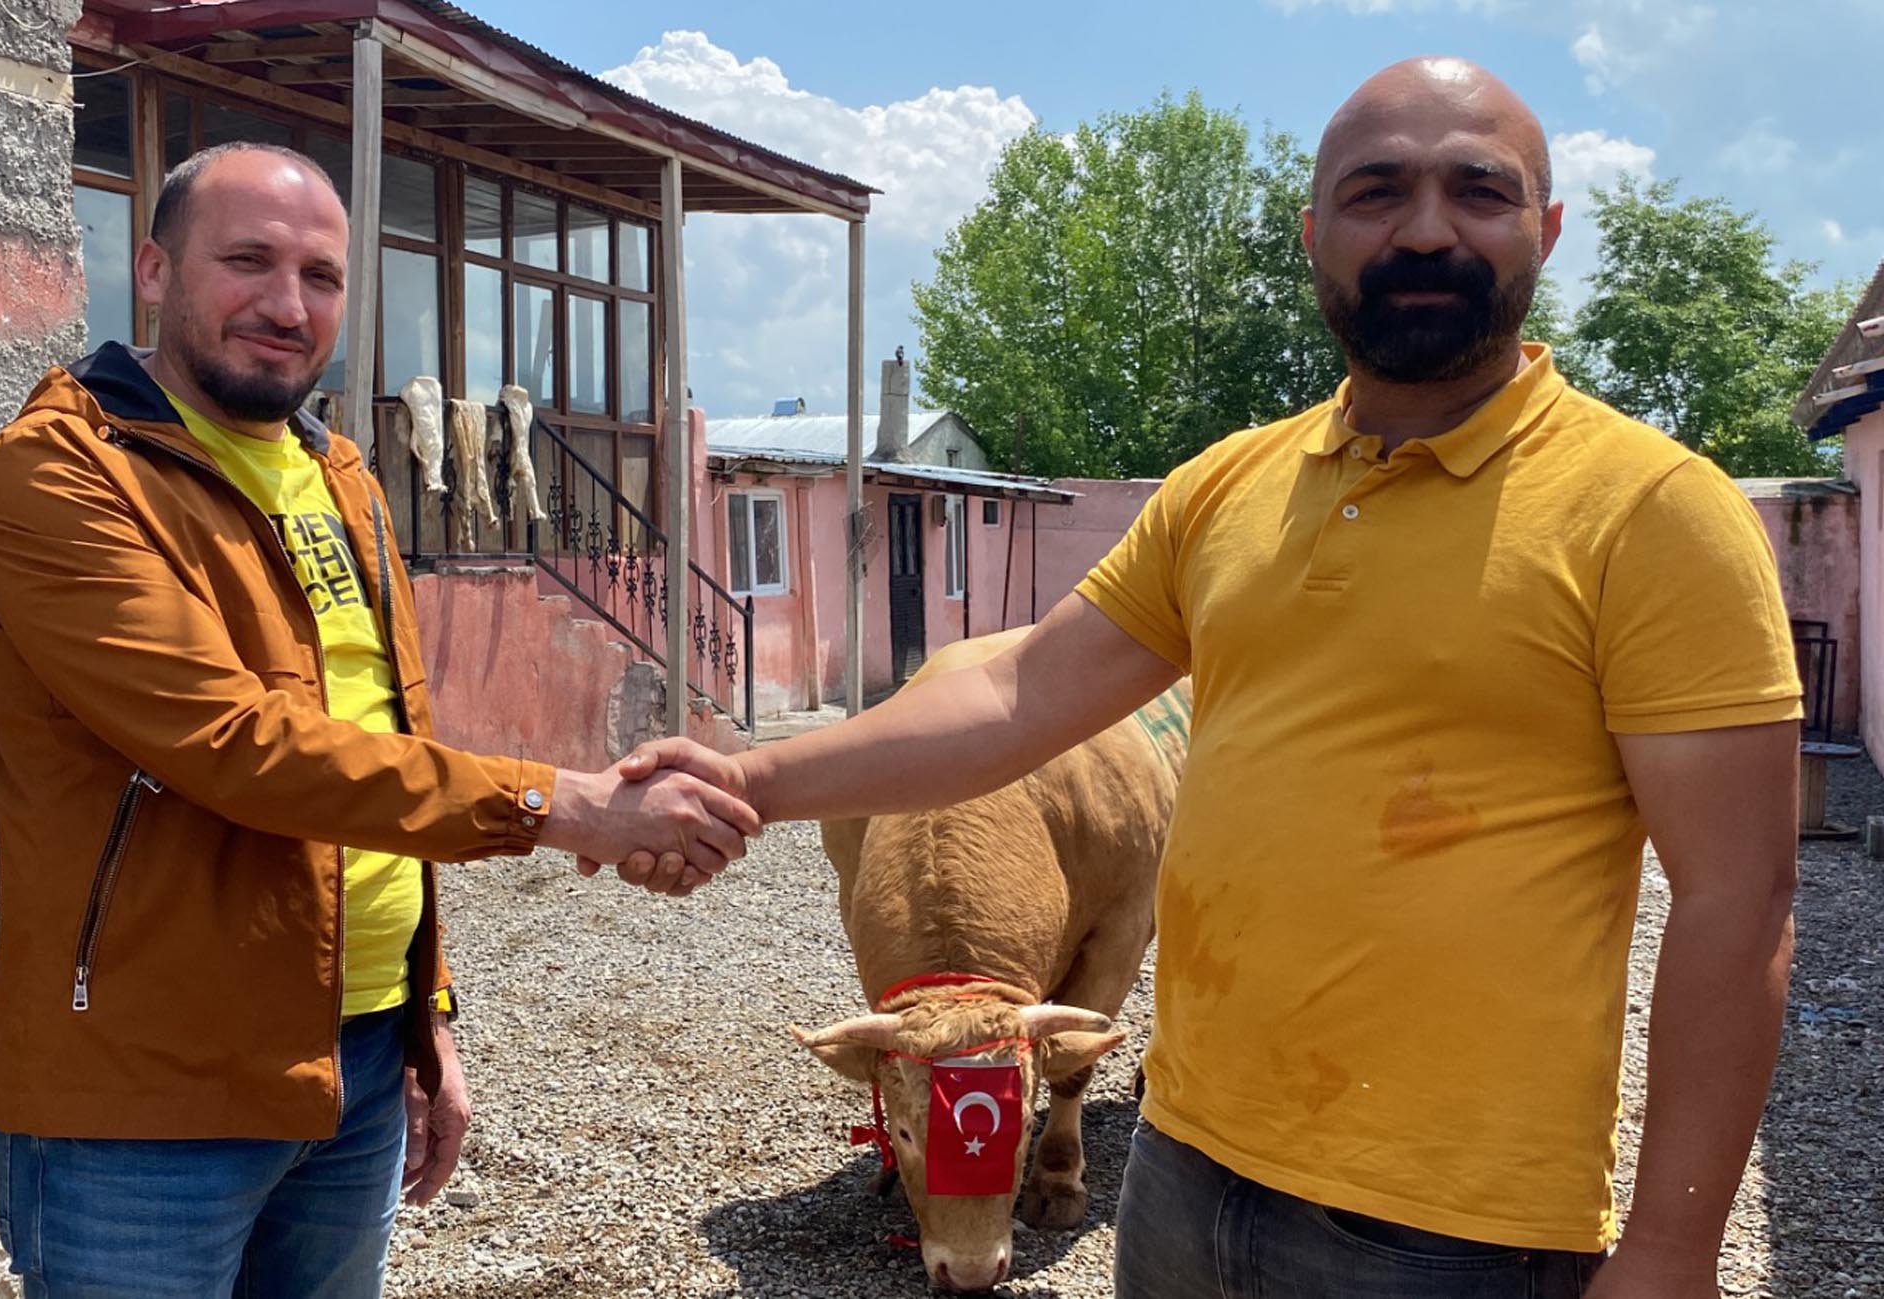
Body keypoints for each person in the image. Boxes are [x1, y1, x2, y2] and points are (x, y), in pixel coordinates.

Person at [607, 58, 1802, 1299]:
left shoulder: (1654, 513)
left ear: (1543, 230)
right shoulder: (1227, 488)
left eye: (1477, 191)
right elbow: (1014, 695)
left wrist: (1671, 1250)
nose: (1424, 229)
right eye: (1376, 192)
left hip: (1455, 1229)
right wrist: (739, 782)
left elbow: (1736, 899)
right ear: (1313, 233)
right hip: (1182, 1169)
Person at [0, 142, 753, 1297]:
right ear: (153, 270)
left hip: (363, 1065)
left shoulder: (342, 476)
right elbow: (237, 747)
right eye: (247, 261)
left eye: (322, 277)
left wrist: (426, 1017)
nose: (287, 307)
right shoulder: (59, 475)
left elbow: (385, 744)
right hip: (146, 1095)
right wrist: (561, 804)